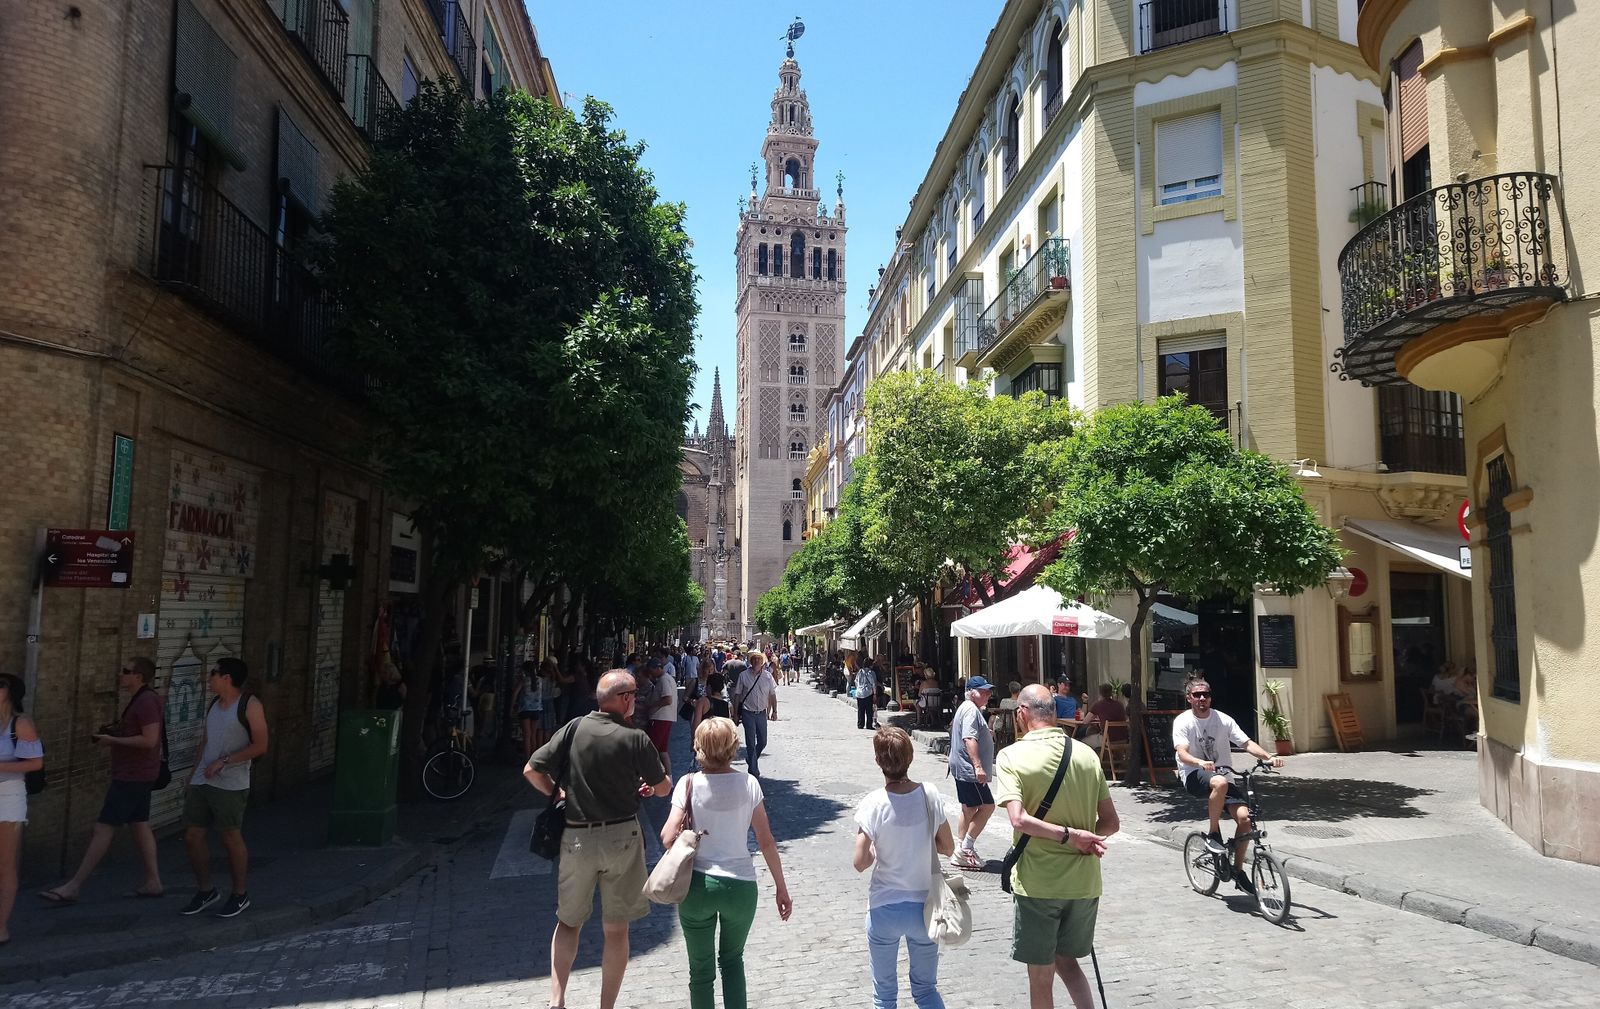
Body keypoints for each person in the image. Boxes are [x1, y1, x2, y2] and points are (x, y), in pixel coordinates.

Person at [526, 670, 670, 1009]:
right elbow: (664, 788)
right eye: (634, 694)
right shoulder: (634, 738)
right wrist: (650, 787)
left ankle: (557, 1000)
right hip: (622, 837)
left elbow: (532, 770)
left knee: (568, 922)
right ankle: (606, 1006)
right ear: (623, 699)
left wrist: (558, 793)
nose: (636, 699)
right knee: (616, 930)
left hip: (578, 837)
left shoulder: (574, 728)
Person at [994, 685, 1118, 1009]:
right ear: (1053, 712)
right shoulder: (1086, 754)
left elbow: (1018, 819)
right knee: (1068, 962)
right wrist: (1084, 838)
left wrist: (1069, 836)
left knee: (1041, 977)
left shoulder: (1011, 756)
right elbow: (1111, 823)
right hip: (1084, 885)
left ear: (1022, 713)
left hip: (1039, 883)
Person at [661, 717, 792, 1009]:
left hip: (697, 886)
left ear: (699, 748)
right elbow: (766, 840)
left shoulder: (688, 783)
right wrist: (781, 887)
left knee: (701, 971)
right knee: (733, 961)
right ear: (734, 746)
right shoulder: (748, 783)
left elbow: (667, 837)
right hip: (740, 885)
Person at [40, 657, 165, 905]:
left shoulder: (146, 701)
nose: (121, 675)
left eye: (126, 671)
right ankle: (154, 882)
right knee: (140, 825)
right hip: (138, 773)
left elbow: (150, 740)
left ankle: (74, 886)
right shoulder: (141, 700)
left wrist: (113, 741)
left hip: (133, 776)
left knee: (103, 828)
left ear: (138, 676)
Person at [854, 726, 954, 1009]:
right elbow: (948, 848)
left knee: (884, 997)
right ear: (910, 757)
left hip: (885, 907)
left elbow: (860, 861)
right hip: (924, 908)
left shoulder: (873, 803)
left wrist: (875, 850)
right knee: (925, 990)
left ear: (877, 761)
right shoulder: (930, 795)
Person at [1172, 677, 1281, 892]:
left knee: (1246, 820)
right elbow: (1182, 753)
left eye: (1206, 694)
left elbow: (1246, 743)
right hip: (1194, 774)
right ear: (1189, 698)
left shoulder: (1223, 720)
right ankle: (1214, 833)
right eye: (1197, 695)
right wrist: (1199, 762)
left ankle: (1238, 871)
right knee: (1219, 782)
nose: (1202, 698)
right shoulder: (1183, 721)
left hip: (1222, 776)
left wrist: (1268, 756)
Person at [182, 656, 269, 918]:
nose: (209, 679)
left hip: (231, 782)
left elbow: (261, 745)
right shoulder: (213, 704)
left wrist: (225, 761)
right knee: (192, 836)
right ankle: (206, 890)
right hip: (203, 779)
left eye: (213, 674)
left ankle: (240, 894)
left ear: (227, 678)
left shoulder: (250, 706)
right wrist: (193, 772)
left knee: (230, 837)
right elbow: (206, 741)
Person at [0, 672, 44, 944]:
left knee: (5, 865)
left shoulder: (21, 724)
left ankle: (1, 927)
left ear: (10, 693)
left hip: (8, 799)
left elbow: (35, 763)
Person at [947, 676, 996, 870]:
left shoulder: (967, 708)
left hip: (961, 767)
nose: (988, 695)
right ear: (972, 692)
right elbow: (969, 738)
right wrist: (978, 767)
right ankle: (966, 847)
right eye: (984, 691)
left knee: (968, 808)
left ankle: (960, 849)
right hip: (968, 769)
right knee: (987, 806)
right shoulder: (970, 711)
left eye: (988, 691)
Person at [730, 653, 778, 779]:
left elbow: (772, 694)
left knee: (763, 741)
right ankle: (753, 770)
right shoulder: (743, 675)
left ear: (762, 661)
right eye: (754, 659)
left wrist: (775, 711)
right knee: (750, 742)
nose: (757, 661)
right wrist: (735, 713)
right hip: (747, 712)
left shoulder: (767, 676)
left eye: (759, 659)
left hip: (761, 713)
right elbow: (737, 695)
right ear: (751, 661)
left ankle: (751, 759)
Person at [648, 655, 679, 777]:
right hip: (666, 718)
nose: (650, 674)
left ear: (656, 668)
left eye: (651, 671)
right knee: (662, 751)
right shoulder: (667, 678)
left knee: (652, 750)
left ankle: (654, 778)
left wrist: (652, 705)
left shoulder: (664, 679)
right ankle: (668, 778)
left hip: (660, 718)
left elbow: (667, 699)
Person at [1081, 684, 1128, 751]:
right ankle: (1111, 757)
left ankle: (1099, 759)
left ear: (1100, 693)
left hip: (1108, 739)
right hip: (1123, 739)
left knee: (1083, 741)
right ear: (1111, 692)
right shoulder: (1119, 705)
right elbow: (1124, 718)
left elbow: (1085, 721)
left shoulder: (1098, 705)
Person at [516, 660, 545, 759]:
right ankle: (533, 757)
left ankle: (527, 758)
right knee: (533, 734)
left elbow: (515, 693)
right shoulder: (540, 680)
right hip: (537, 709)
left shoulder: (523, 680)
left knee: (526, 735)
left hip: (525, 709)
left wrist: (512, 706)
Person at [855, 657, 879, 731]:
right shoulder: (871, 673)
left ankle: (860, 724)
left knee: (860, 709)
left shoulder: (860, 672)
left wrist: (858, 688)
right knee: (869, 710)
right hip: (868, 693)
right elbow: (874, 684)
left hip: (859, 693)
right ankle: (869, 725)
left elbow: (856, 681)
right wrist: (875, 694)